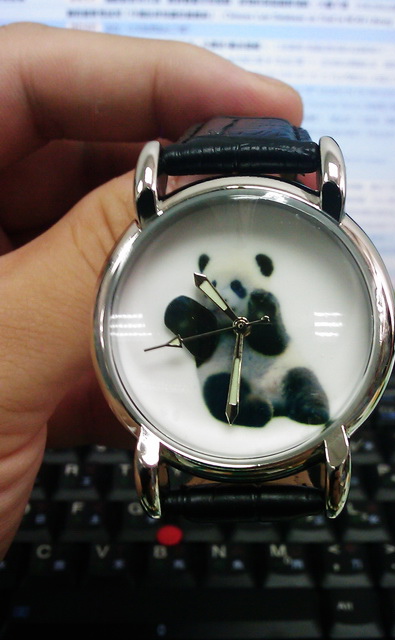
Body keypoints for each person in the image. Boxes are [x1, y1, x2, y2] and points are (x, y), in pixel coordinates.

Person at [0, 22, 302, 559]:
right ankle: (239, 402)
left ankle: (280, 395)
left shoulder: (257, 299)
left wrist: (257, 316)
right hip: (216, 381)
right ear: (202, 268)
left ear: (262, 267)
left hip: (258, 374)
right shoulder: (195, 302)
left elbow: (271, 339)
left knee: (288, 374)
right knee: (218, 370)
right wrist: (142, 226)